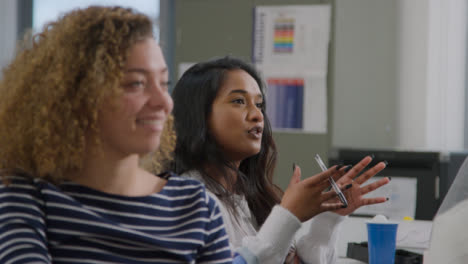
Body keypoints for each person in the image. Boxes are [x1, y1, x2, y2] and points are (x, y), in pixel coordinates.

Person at [0, 7, 255, 263]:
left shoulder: (195, 206)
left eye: (164, 84)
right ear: (77, 96)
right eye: (137, 84)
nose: (163, 102)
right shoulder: (28, 195)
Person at [171, 56, 391, 263]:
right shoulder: (186, 199)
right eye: (239, 101)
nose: (257, 115)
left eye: (259, 104)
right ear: (199, 116)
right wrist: (288, 216)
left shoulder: (249, 197)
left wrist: (330, 217)